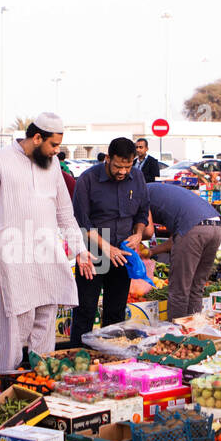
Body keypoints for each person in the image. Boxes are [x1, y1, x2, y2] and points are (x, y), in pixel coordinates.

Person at [0, 113, 93, 371]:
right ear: (37, 138)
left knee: (46, 318)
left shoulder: (52, 166)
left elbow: (64, 213)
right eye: (53, 145)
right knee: (13, 324)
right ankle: (5, 386)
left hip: (46, 254)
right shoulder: (0, 160)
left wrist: (80, 249)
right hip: (11, 256)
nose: (56, 151)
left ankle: (42, 378)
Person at [70, 137, 147, 347]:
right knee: (85, 308)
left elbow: (142, 214)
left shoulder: (137, 178)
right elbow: (81, 223)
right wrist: (107, 248)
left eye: (128, 167)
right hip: (93, 252)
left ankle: (111, 356)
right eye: (118, 166)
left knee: (116, 311)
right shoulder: (88, 180)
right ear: (107, 159)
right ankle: (79, 355)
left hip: (122, 252)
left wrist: (138, 234)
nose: (123, 172)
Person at [142, 181, 221, 320]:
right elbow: (176, 240)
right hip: (216, 227)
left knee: (179, 290)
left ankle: (176, 336)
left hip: (194, 230)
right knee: (196, 288)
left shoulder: (140, 194)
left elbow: (148, 232)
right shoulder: (160, 191)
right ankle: (194, 331)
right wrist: (151, 252)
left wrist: (133, 239)